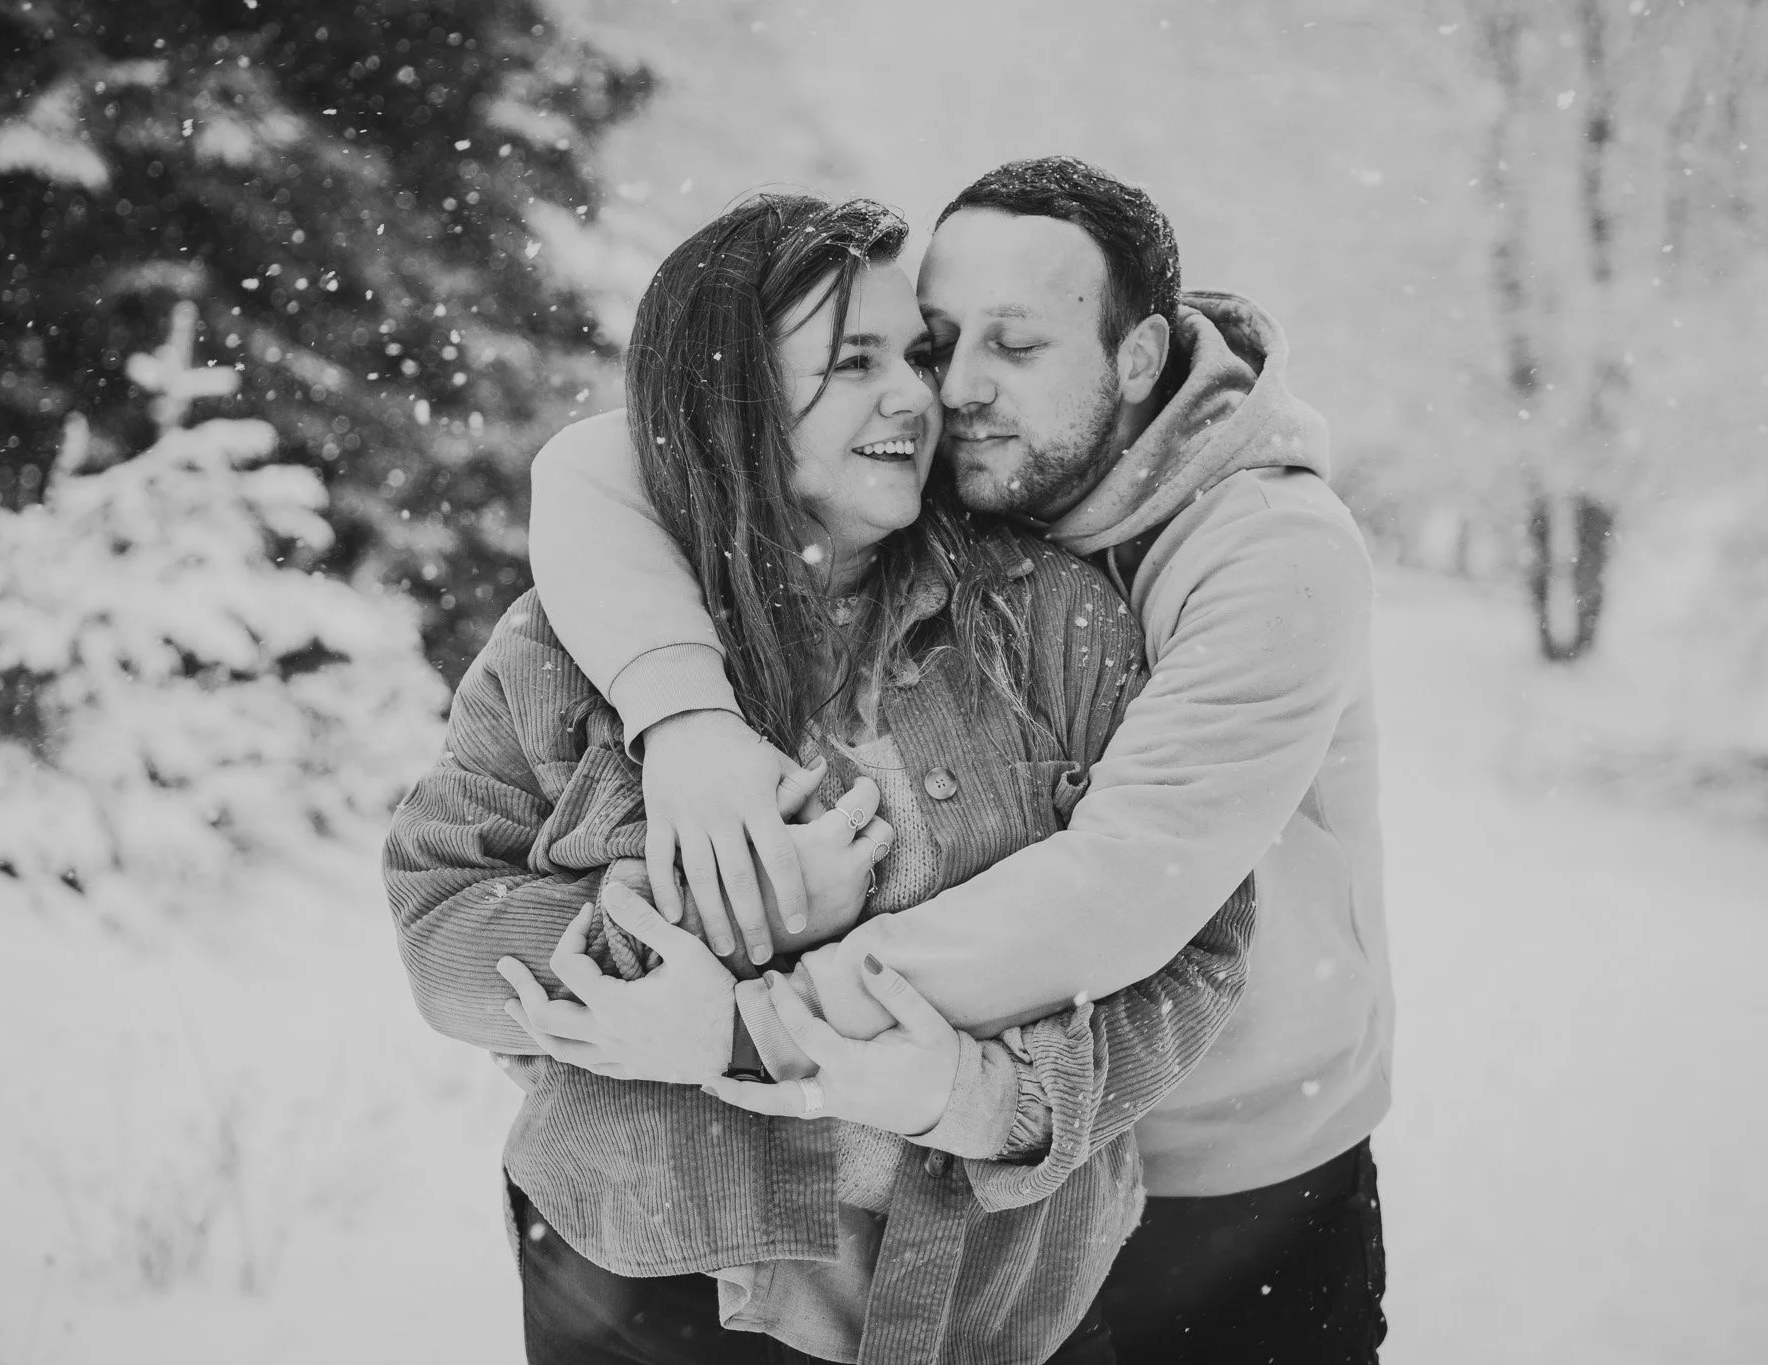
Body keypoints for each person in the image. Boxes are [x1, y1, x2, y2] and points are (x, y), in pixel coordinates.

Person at [526, 157, 1390, 1362]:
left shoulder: (1273, 554)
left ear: (1136, 359)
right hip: (1011, 1178)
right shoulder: (980, 452)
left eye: (1016, 346)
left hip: (1229, 1168)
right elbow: (600, 465)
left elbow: (1117, 890)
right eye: (939, 341)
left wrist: (746, 1020)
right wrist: (684, 723)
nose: (959, 388)